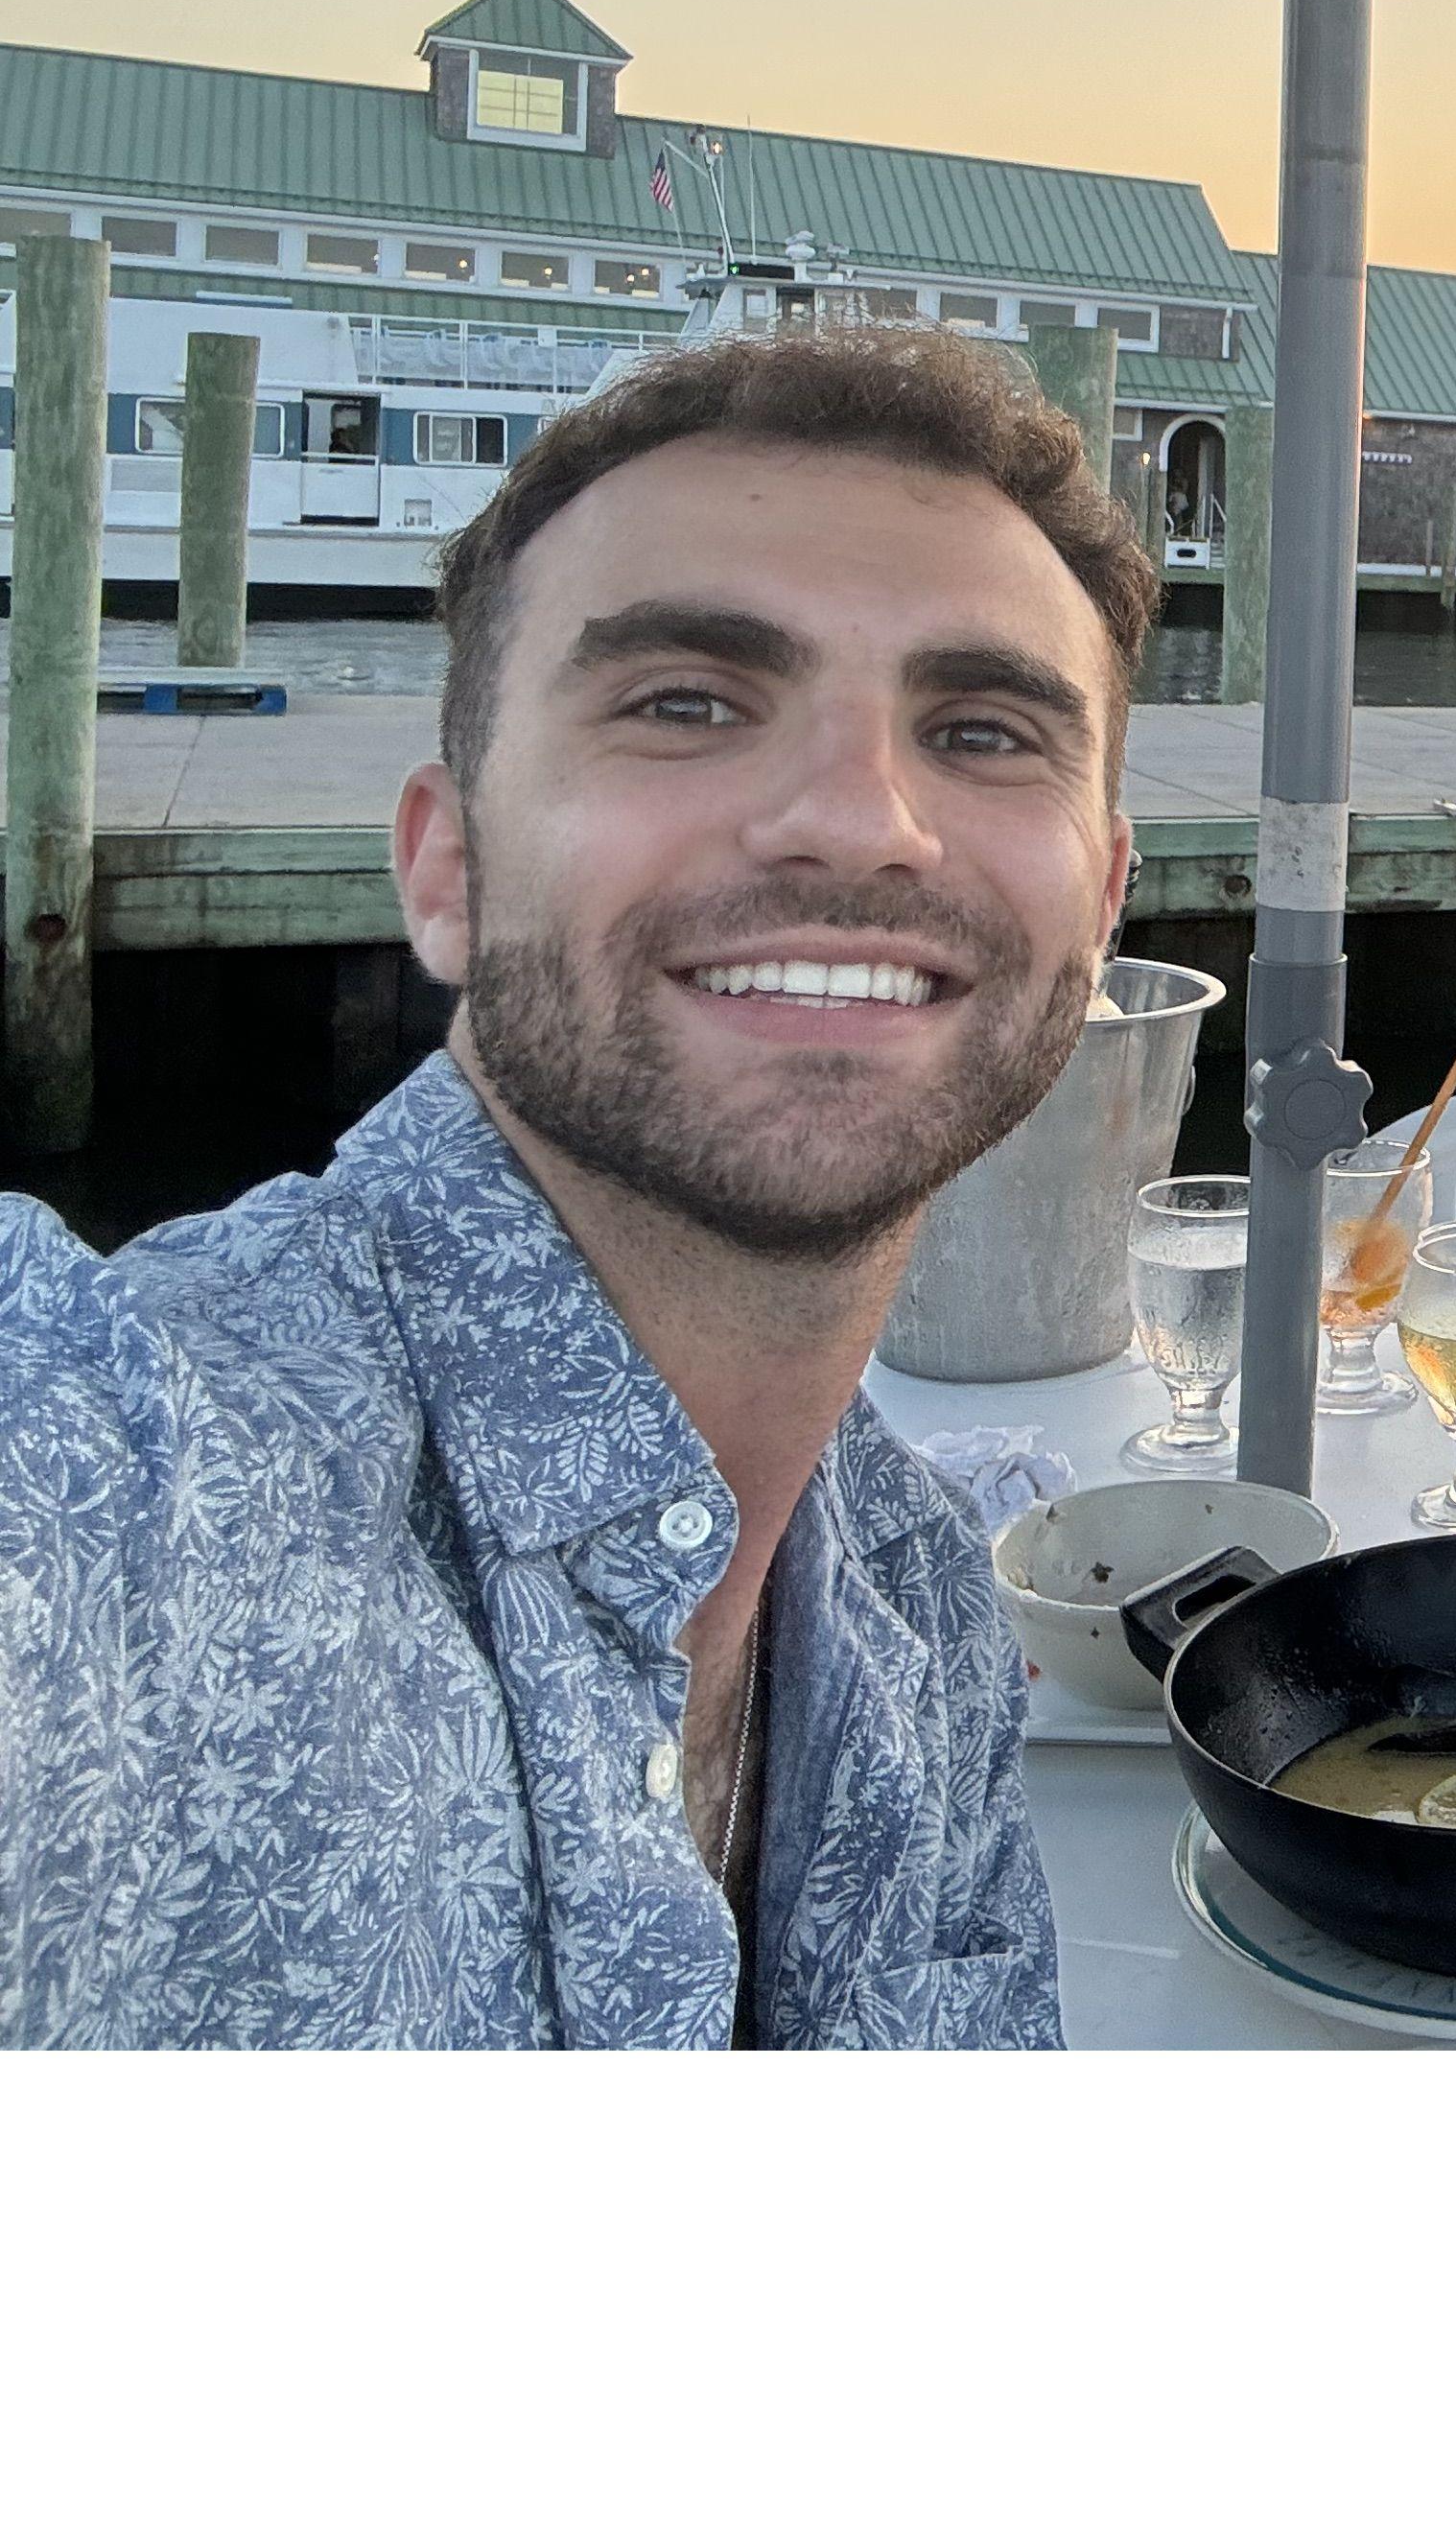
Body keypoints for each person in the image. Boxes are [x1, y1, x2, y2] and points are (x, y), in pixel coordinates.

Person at [0, 326, 1149, 2047]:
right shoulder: (114, 1478)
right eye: (686, 704)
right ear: (447, 869)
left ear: (1102, 905)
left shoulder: (920, 1605)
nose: (861, 820)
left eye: (983, 732)